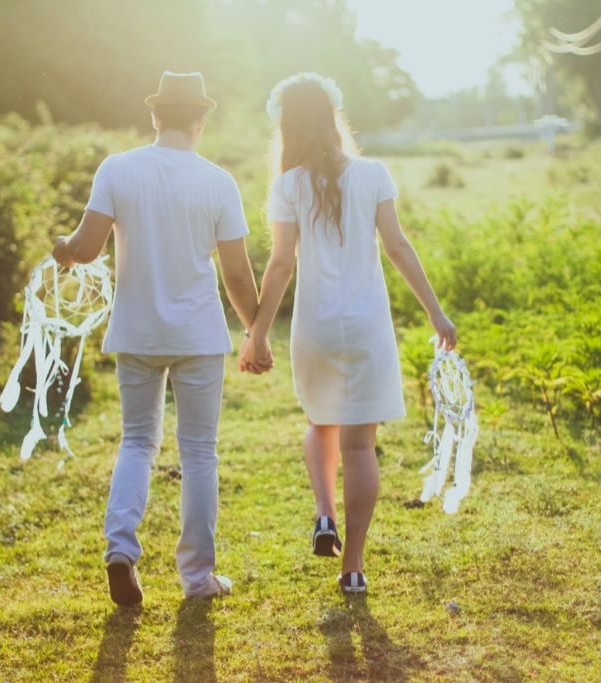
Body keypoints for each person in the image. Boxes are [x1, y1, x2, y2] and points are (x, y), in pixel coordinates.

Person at [240, 73, 456, 594]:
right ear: (334, 118)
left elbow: (280, 265)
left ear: (287, 127)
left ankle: (322, 514)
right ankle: (353, 568)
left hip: (315, 328)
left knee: (320, 422)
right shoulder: (373, 173)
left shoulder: (287, 185)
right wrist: (436, 313)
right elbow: (399, 247)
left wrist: (257, 334)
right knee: (361, 448)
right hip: (366, 327)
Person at [53, 71, 262, 606]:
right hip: (198, 334)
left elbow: (87, 247)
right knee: (198, 453)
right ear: (200, 120)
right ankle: (197, 579)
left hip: (138, 332)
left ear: (154, 116)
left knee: (138, 442)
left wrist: (63, 247)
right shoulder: (218, 181)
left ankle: (120, 551)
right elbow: (238, 276)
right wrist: (255, 331)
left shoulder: (117, 169)